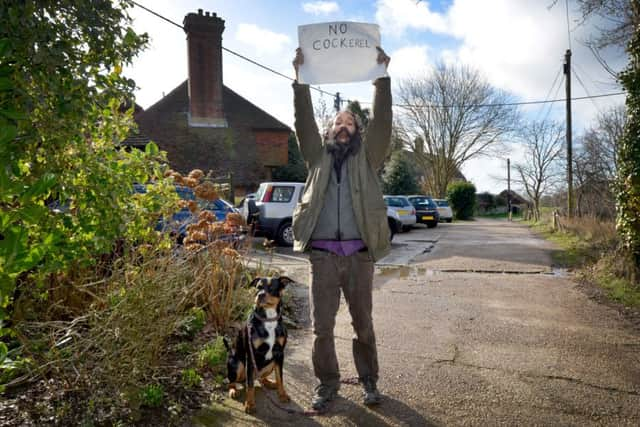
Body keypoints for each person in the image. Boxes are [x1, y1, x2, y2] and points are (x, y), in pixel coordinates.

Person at [291, 46, 392, 410]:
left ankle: (368, 382)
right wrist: (300, 81)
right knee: (321, 329)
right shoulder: (316, 156)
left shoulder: (368, 157)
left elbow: (382, 123)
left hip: (359, 256)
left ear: (357, 132)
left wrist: (381, 78)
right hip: (322, 257)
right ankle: (327, 384)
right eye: (339, 122)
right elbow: (302, 123)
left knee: (362, 324)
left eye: (350, 123)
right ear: (330, 130)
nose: (344, 126)